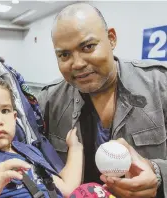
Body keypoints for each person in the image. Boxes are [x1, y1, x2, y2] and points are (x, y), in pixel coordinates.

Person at [38, 3, 167, 198]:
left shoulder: (160, 84)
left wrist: (158, 173)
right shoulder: (48, 102)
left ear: (111, 39)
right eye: (64, 55)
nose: (78, 63)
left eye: (88, 47)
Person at [0, 75, 84, 198]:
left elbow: (67, 188)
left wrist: (75, 148)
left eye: (5, 111)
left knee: (92, 190)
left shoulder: (31, 153)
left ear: (14, 118)